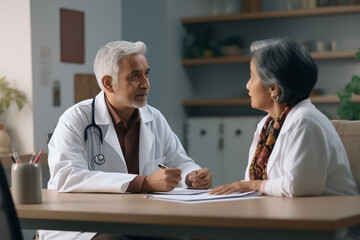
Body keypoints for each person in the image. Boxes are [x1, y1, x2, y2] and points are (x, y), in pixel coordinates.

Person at [39, 41, 212, 240]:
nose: (146, 84)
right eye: (134, 76)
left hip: (138, 220)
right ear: (108, 83)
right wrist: (143, 182)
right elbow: (66, 176)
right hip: (84, 224)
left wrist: (191, 177)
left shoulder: (154, 118)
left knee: (184, 236)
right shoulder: (76, 119)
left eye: (146, 74)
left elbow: (180, 162)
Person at [209, 37, 359, 197]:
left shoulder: (305, 120)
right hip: (285, 212)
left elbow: (300, 187)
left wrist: (252, 185)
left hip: (330, 216)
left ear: (274, 88)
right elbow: (256, 184)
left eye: (252, 77)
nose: (247, 85)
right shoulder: (267, 125)